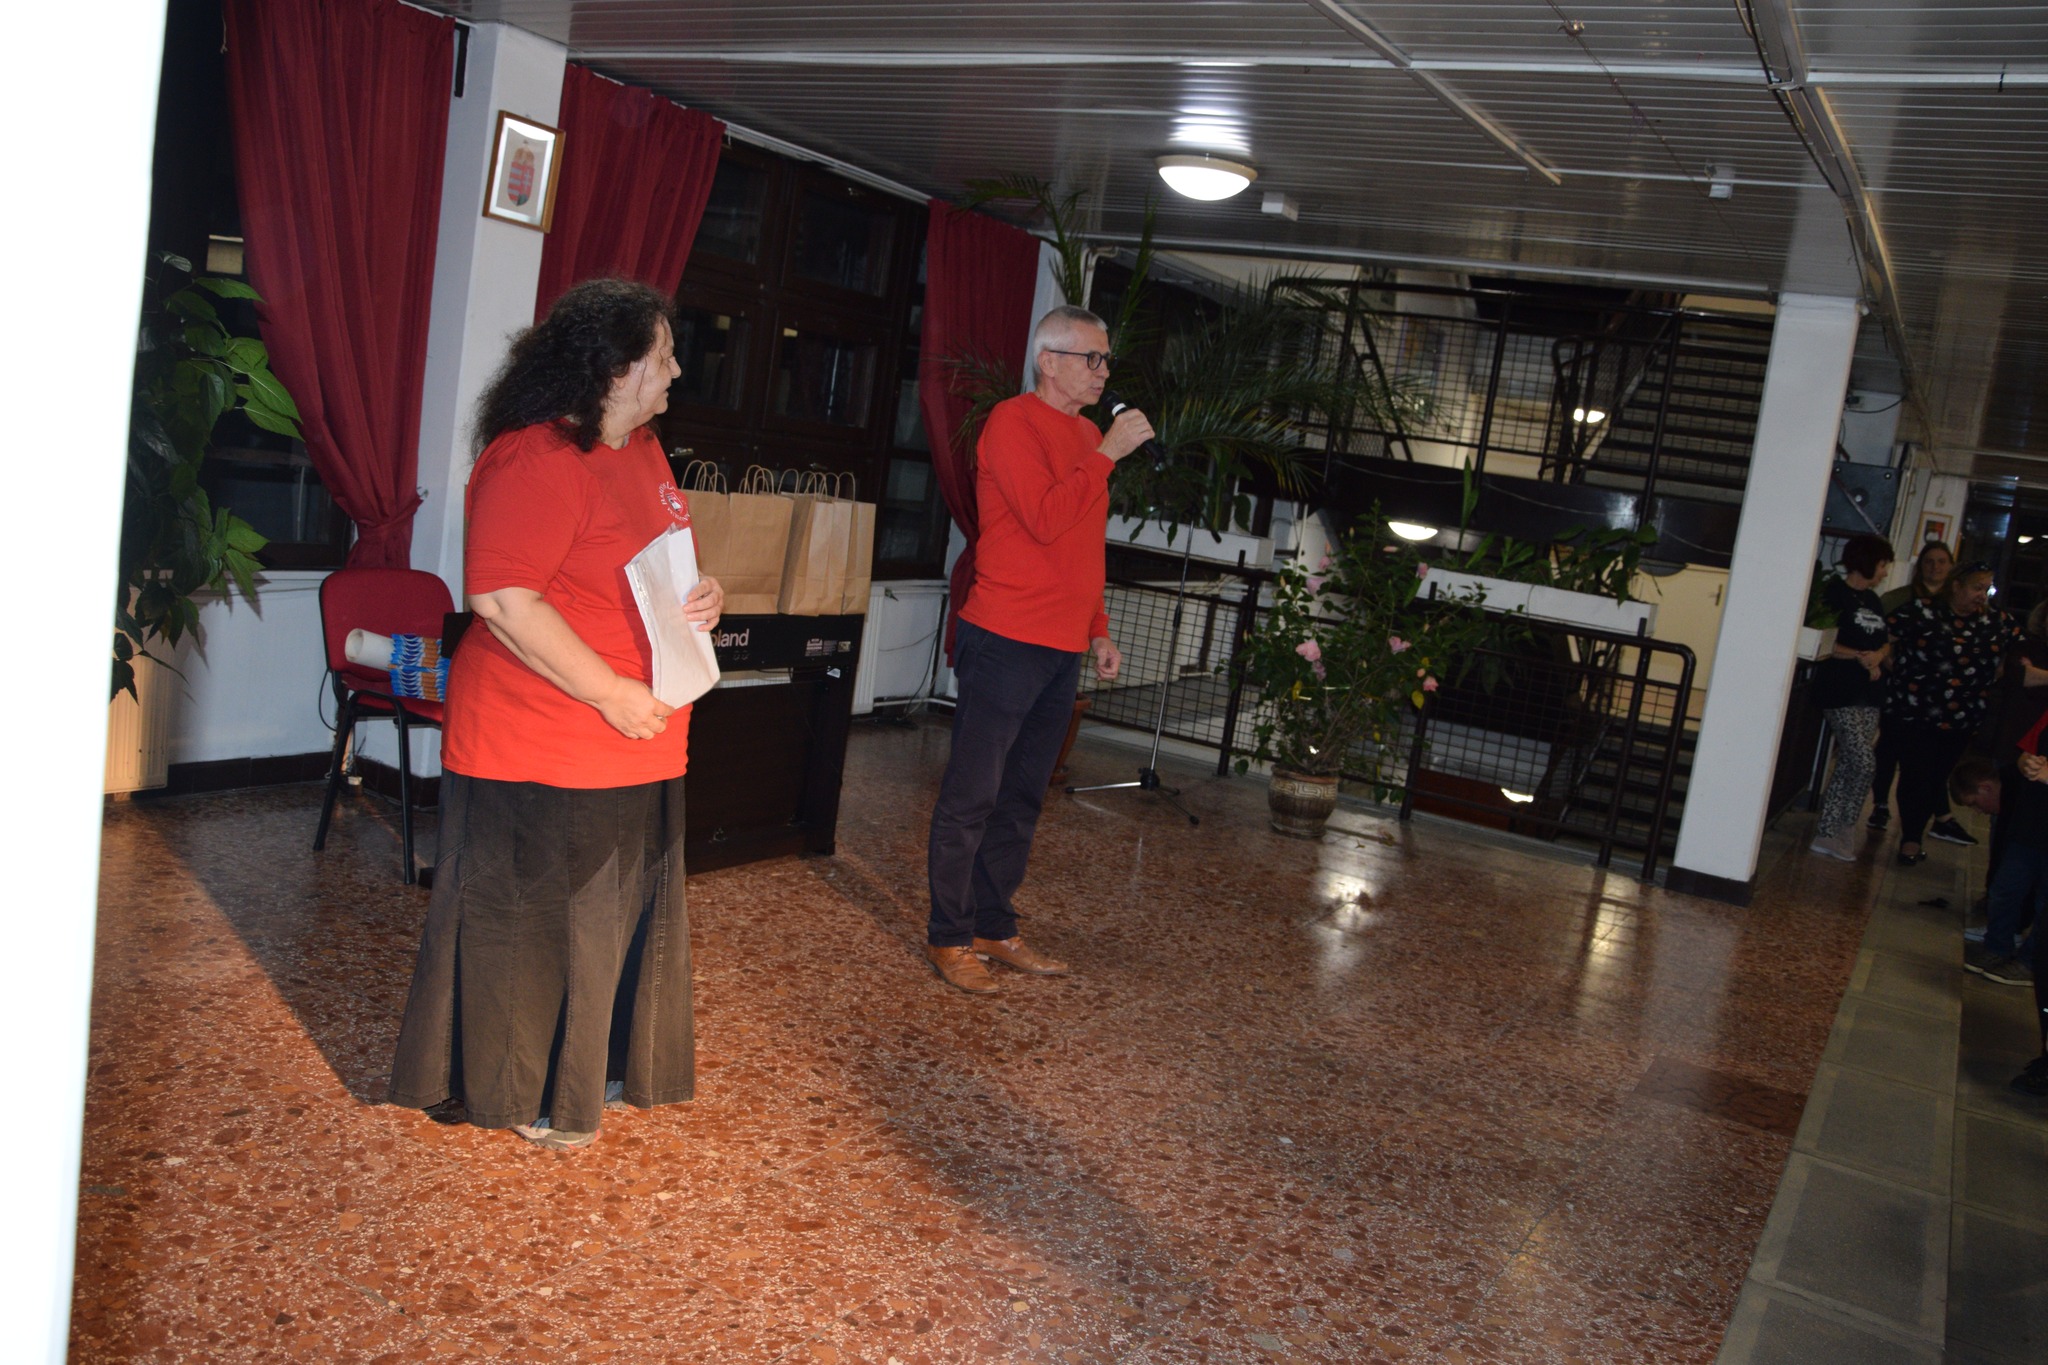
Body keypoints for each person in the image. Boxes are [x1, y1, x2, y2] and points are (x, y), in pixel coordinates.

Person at [387, 279, 723, 1150]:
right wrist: (610, 692)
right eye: (662, 356)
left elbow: (650, 564)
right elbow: (504, 600)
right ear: (612, 368)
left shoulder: (643, 449)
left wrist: (703, 595)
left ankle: (590, 1069)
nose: (675, 371)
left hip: (638, 739)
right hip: (543, 742)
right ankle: (524, 1090)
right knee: (532, 928)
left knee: (607, 921)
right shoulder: (533, 459)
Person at [922, 305, 1150, 993]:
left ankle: (993, 924)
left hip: (1060, 645)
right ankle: (949, 935)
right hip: (1005, 636)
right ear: (1049, 361)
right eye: (1092, 358)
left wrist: (1098, 626)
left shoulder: (1086, 434)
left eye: (1106, 360)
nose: (1103, 372)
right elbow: (1047, 518)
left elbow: (1083, 544)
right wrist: (1107, 455)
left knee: (1022, 795)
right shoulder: (1012, 423)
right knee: (973, 793)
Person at [1883, 563, 2025, 865]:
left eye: (1986, 589)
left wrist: (2000, 670)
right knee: (1915, 774)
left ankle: (1918, 832)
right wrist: (1892, 666)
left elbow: (2018, 654)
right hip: (1914, 712)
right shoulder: (1922, 611)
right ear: (1956, 586)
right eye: (1976, 588)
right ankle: (1910, 838)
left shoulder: (1996, 621)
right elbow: (1883, 638)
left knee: (1937, 776)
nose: (1981, 595)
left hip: (1962, 717)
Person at [1808, 534, 1893, 861]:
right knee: (1863, 761)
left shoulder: (1873, 600)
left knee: (1849, 762)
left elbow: (1885, 641)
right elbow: (1824, 640)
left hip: (1870, 693)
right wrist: (1859, 656)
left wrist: (1878, 655)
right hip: (1839, 690)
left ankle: (1830, 832)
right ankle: (1843, 828)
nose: (1884, 572)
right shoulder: (1833, 594)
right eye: (1883, 564)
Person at [1870, 540, 1953, 830]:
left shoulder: (1953, 603)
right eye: (1929, 561)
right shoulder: (1898, 598)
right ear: (1920, 567)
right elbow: (1878, 636)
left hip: (1935, 695)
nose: (1935, 567)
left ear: (1951, 567)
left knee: (1922, 756)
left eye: (1942, 561)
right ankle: (1880, 803)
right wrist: (1891, 662)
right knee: (1889, 746)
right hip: (1897, 685)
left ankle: (1919, 816)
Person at [1950, 754, 2039, 987]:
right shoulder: (2011, 789)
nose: (1978, 811)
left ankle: (2031, 963)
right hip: (2028, 831)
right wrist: (2028, 764)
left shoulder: (2013, 792)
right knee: (2004, 889)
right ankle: (1997, 947)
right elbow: (2025, 754)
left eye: (1975, 804)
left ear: (1986, 788)